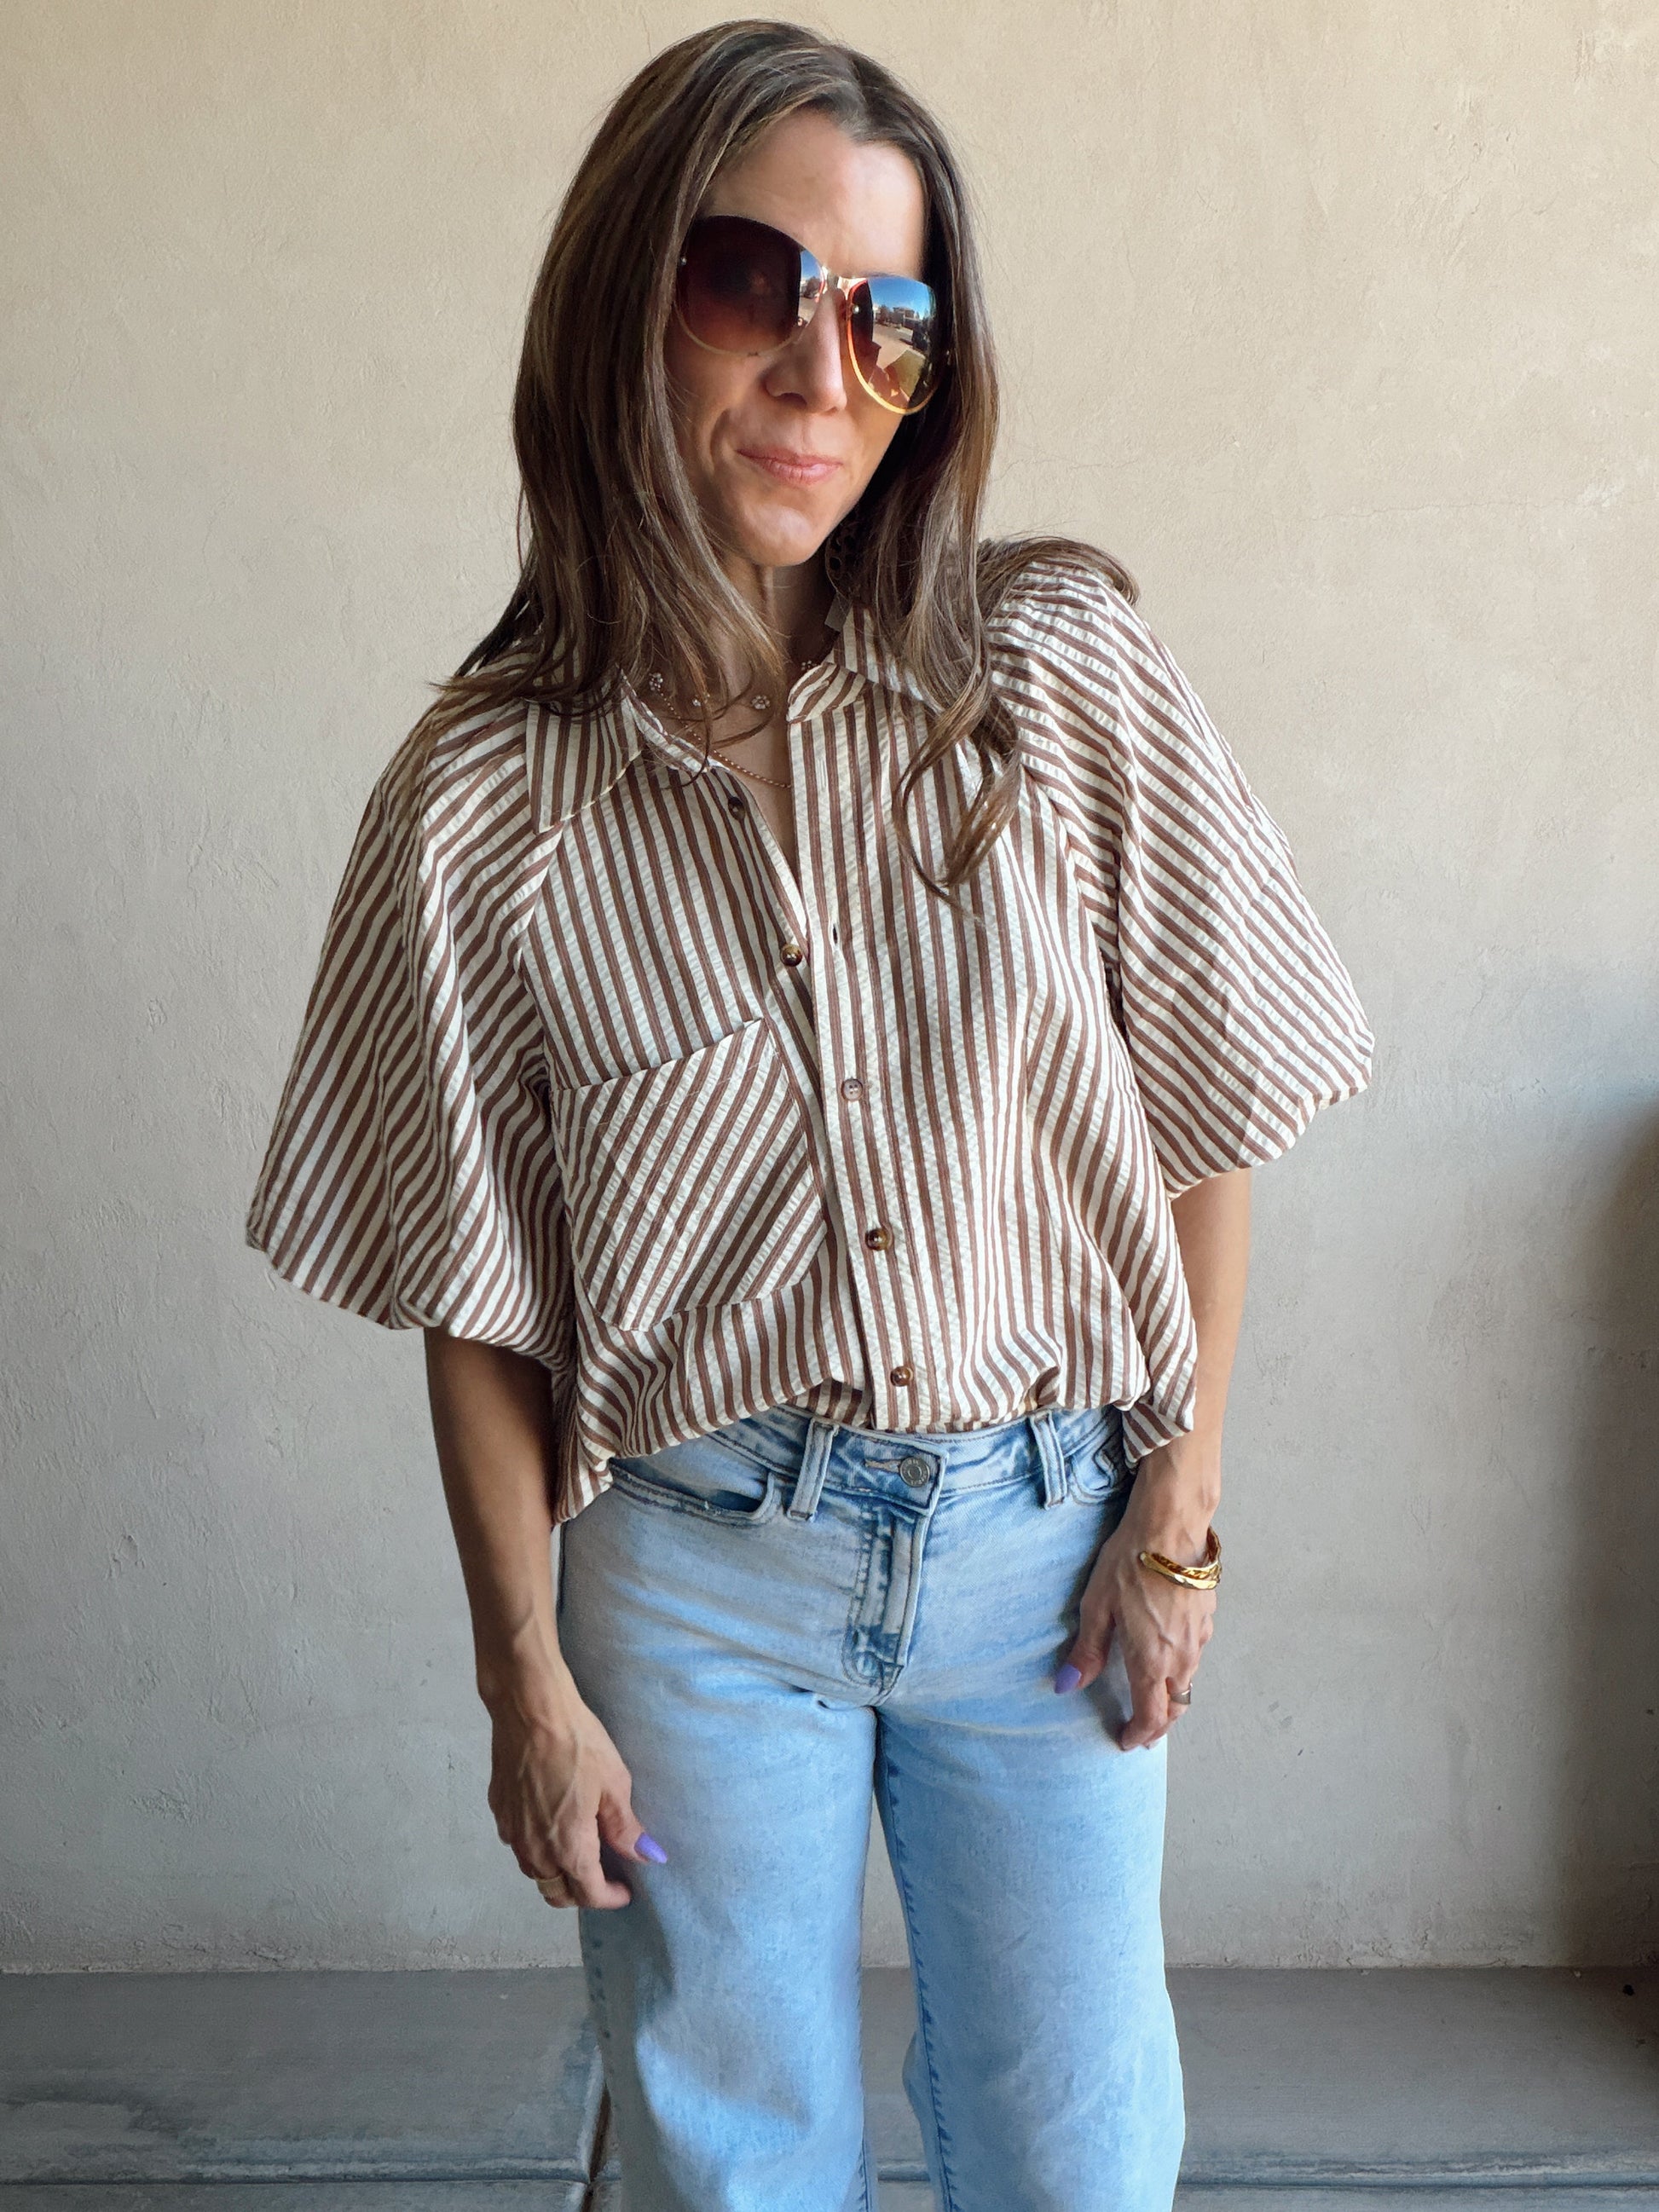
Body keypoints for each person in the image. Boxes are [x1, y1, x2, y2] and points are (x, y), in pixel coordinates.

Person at [246, 20, 1373, 2211]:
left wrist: (1181, 1507)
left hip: (1049, 1556)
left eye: (890, 319)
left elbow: (1205, 1098)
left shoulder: (1054, 676)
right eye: (750, 279)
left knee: (1079, 2157)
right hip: (693, 1586)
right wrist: (525, 1681)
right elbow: (472, 1291)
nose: (819, 369)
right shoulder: (478, 806)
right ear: (626, 290)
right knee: (728, 2166)